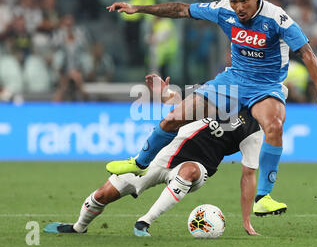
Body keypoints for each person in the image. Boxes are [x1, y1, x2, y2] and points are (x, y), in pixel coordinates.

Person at [106, 0, 317, 207]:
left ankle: (263, 197)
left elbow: (307, 53)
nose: (239, 7)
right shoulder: (222, 9)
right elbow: (180, 9)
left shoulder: (277, 18)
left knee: (274, 126)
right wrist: (137, 8)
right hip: (233, 80)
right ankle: (140, 162)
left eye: (244, 0)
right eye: (234, 1)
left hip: (266, 86)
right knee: (174, 118)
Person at [43, 74, 287, 237]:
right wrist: (164, 92)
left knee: (189, 172)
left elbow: (248, 174)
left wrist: (246, 221)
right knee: (103, 194)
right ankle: (78, 227)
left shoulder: (254, 133)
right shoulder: (223, 92)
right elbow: (181, 106)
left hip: (198, 166)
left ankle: (144, 222)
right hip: (163, 154)